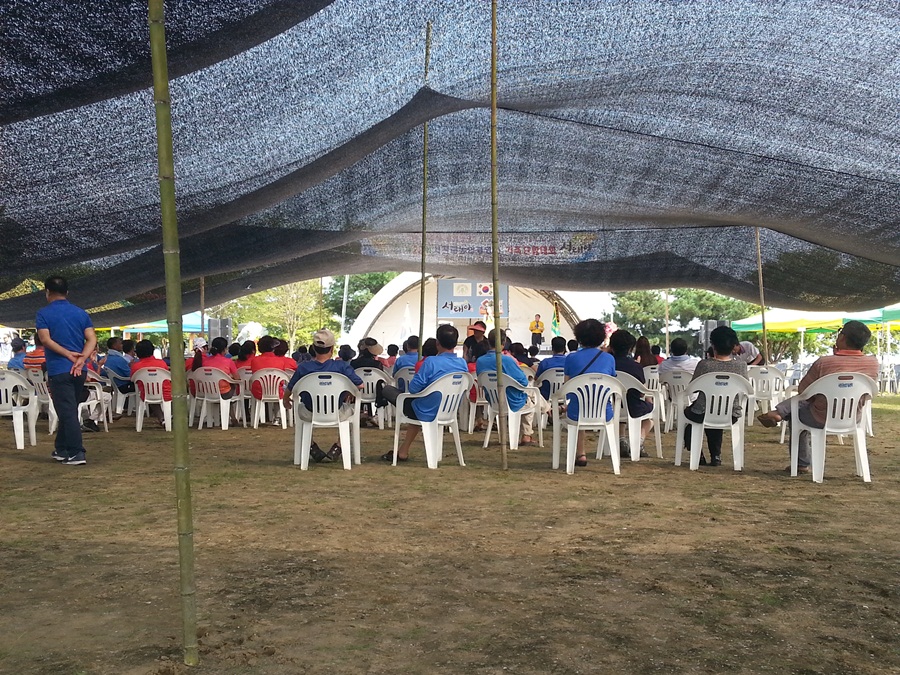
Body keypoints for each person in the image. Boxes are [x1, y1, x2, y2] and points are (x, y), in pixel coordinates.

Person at [756, 320, 879, 474]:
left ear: (842, 337)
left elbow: (803, 390)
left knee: (798, 410)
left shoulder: (824, 363)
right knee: (808, 400)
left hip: (819, 416)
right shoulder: (873, 363)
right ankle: (780, 412)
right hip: (853, 416)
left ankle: (801, 463)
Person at [377, 324, 469, 462]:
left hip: (425, 410)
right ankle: (403, 450)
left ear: (437, 343)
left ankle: (402, 449)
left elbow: (414, 388)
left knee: (388, 390)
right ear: (456, 343)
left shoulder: (431, 362)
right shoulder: (462, 363)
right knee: (420, 402)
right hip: (448, 410)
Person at [35, 275, 96, 465]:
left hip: (59, 369)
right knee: (68, 409)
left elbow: (45, 340)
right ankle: (62, 449)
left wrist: (68, 355)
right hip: (80, 370)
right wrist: (81, 358)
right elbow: (92, 339)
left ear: (47, 292)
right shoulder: (80, 313)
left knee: (67, 411)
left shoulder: (43, 314)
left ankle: (77, 452)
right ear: (67, 293)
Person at [282, 328, 363, 463]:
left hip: (310, 412)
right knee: (350, 412)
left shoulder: (303, 368)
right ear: (332, 348)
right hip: (337, 412)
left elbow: (291, 388)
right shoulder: (342, 367)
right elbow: (360, 386)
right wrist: (348, 391)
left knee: (300, 411)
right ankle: (338, 446)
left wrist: (286, 400)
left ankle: (312, 446)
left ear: (313, 347)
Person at [683, 326, 747, 466]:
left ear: (712, 345)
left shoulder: (704, 365)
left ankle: (698, 454)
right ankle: (716, 456)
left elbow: (692, 387)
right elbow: (746, 389)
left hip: (702, 411)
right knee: (717, 414)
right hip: (731, 413)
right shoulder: (741, 366)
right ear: (734, 346)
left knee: (691, 418)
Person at [564, 319, 616, 467]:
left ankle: (581, 453)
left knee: (578, 405)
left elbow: (566, 387)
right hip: (603, 411)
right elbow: (611, 384)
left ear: (578, 337)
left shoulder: (571, 358)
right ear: (601, 337)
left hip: (576, 411)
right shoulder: (609, 359)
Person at [476, 328, 536, 445]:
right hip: (512, 401)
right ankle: (527, 435)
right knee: (532, 396)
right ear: (503, 343)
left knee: (531, 395)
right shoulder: (507, 361)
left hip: (493, 401)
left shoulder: (480, 361)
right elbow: (523, 382)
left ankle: (549, 408)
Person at [609, 330, 654, 457]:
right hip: (634, 407)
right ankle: (638, 443)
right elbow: (642, 392)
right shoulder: (635, 367)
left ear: (611, 346)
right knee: (650, 419)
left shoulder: (607, 364)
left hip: (611, 408)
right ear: (630, 348)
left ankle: (622, 440)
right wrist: (649, 401)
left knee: (621, 414)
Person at [130, 338, 171, 426]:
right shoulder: (161, 363)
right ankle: (167, 416)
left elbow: (133, 380)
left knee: (150, 391)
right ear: (152, 350)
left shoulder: (135, 366)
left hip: (146, 394)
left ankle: (162, 418)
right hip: (167, 393)